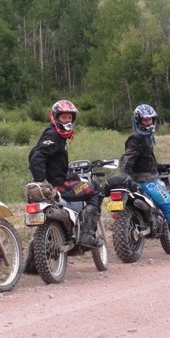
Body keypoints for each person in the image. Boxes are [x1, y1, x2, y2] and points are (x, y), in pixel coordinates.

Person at [119, 104, 170, 260]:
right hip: (147, 181)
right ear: (138, 121)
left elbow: (145, 161)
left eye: (150, 120)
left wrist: (159, 166)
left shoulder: (145, 138)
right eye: (145, 120)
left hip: (147, 176)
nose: (149, 123)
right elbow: (127, 160)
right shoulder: (137, 138)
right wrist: (126, 176)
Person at [28, 99, 103, 248]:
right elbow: (37, 158)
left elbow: (34, 154)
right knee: (95, 189)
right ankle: (87, 235)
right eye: (63, 117)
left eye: (70, 117)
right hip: (59, 186)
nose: (67, 120)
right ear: (55, 117)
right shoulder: (53, 136)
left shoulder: (54, 135)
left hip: (58, 181)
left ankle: (33, 264)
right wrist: (41, 182)